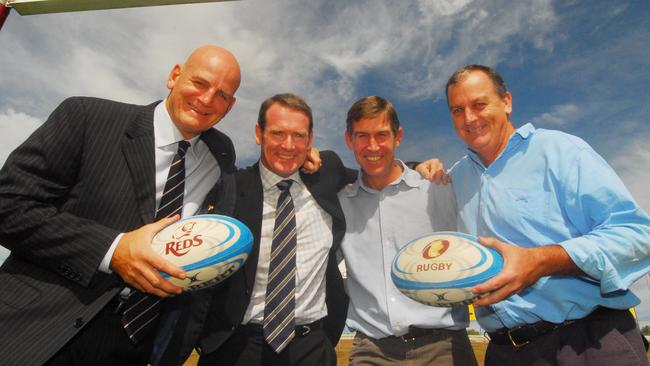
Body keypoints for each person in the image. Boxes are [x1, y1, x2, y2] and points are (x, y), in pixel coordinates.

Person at [0, 45, 242, 366]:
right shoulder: (87, 117)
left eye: (222, 95)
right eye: (200, 83)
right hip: (36, 330)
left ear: (230, 106)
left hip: (131, 345)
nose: (207, 99)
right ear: (174, 76)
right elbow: (9, 204)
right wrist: (113, 251)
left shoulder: (220, 159)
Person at [427, 64, 650, 365]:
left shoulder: (560, 151)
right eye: (457, 110)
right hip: (504, 352)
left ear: (506, 102)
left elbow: (637, 237)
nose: (469, 118)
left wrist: (540, 261)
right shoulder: (457, 179)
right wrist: (418, 166)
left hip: (587, 343)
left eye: (479, 104)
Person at [160, 93, 352, 366]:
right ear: (258, 134)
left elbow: (372, 177)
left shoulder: (326, 173)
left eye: (298, 136)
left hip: (312, 348)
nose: (288, 145)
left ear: (310, 140)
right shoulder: (229, 187)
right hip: (237, 349)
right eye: (278, 133)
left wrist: (418, 168)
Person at [337, 95, 477, 366]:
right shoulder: (340, 204)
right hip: (371, 351)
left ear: (397, 136)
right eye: (362, 136)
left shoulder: (436, 188)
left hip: (442, 348)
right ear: (349, 140)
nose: (373, 145)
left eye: (382, 134)